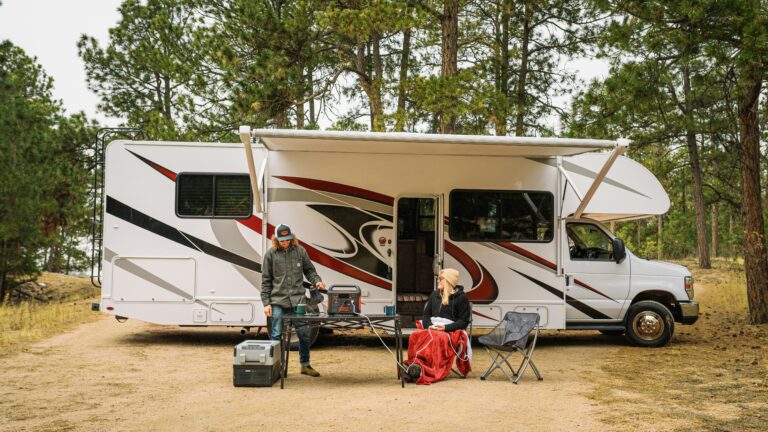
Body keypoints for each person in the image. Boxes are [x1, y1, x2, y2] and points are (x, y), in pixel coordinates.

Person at [261, 224, 326, 377]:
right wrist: (266, 303)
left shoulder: (300, 251)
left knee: (304, 333)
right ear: (276, 239)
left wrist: (317, 281)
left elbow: (310, 271)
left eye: (288, 239)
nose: (285, 242)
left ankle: (305, 365)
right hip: (278, 301)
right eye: (282, 240)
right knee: (276, 335)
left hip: (298, 301)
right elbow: (265, 281)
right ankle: (277, 368)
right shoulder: (270, 255)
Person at [404, 268, 472, 383]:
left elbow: (463, 321)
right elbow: (426, 315)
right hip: (432, 327)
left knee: (437, 338)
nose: (438, 281)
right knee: (414, 335)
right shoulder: (435, 294)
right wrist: (428, 326)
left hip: (450, 330)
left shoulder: (461, 298)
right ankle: (415, 366)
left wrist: (445, 328)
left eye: (441, 279)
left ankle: (428, 370)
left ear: (448, 281)